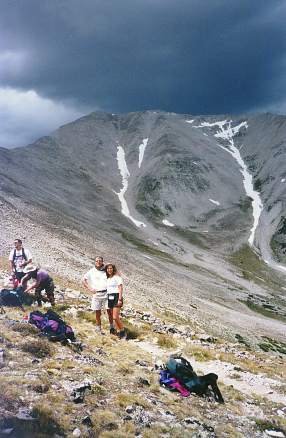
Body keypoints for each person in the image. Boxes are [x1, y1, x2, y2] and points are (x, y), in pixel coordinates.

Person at [83, 256, 114, 334]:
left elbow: (115, 273)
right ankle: (98, 328)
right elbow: (84, 280)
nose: (98, 262)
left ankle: (112, 328)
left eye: (100, 261)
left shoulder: (106, 270)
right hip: (97, 294)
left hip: (107, 293)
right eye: (97, 261)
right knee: (98, 312)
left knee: (110, 311)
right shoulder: (91, 271)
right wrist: (90, 289)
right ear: (94, 262)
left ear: (102, 262)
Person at [105, 263, 126, 339]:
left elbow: (120, 288)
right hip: (109, 297)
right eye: (108, 268)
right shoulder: (107, 278)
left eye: (111, 268)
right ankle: (118, 331)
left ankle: (123, 332)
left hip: (116, 296)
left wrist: (120, 299)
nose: (109, 270)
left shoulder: (117, 277)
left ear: (113, 269)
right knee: (112, 316)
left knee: (115, 317)